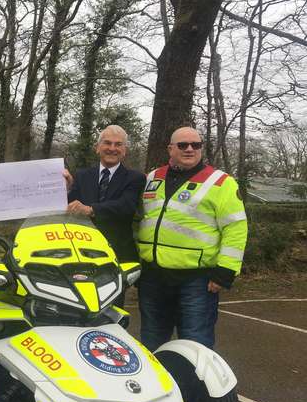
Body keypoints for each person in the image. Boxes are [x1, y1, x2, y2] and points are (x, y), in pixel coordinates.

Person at [136, 126, 248, 350]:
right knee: (151, 342)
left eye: (196, 145)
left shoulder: (221, 182)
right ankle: (158, 386)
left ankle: (195, 386)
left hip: (196, 281)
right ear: (170, 148)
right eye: (183, 145)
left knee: (196, 345)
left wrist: (226, 270)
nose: (190, 149)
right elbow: (137, 218)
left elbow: (236, 228)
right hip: (153, 276)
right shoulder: (151, 178)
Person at [64, 125, 146, 307]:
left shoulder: (135, 178)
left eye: (118, 144)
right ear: (97, 147)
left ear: (124, 151)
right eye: (107, 143)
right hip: (80, 253)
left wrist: (91, 209)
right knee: (80, 306)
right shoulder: (83, 175)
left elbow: (126, 206)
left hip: (115, 256)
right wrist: (68, 188)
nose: (112, 148)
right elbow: (70, 206)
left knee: (112, 310)